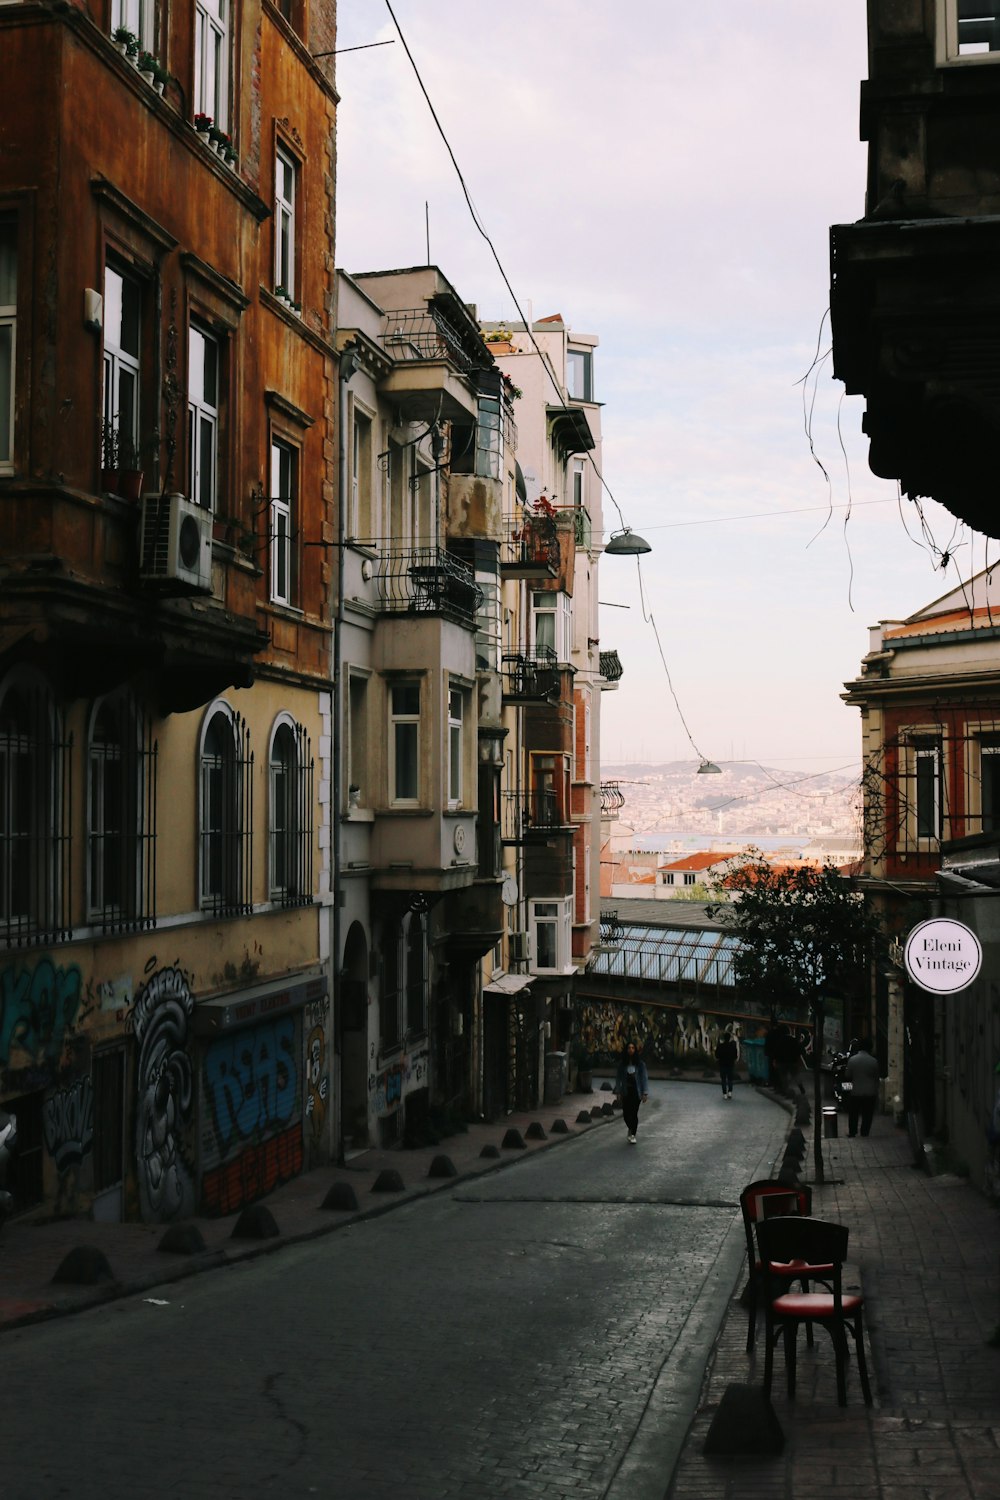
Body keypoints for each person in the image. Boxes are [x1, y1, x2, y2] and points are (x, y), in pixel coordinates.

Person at [613, 1041, 649, 1144]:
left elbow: (644, 1078)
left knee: (634, 1113)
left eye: (633, 1048)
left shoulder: (640, 1064)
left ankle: (633, 1134)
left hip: (636, 1092)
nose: (631, 1050)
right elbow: (618, 1078)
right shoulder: (622, 1064)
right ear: (626, 1050)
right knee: (626, 1114)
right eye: (629, 1048)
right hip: (626, 1092)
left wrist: (645, 1093)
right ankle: (630, 1127)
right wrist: (618, 1092)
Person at [843, 1037, 880, 1137]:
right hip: (870, 1092)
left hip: (855, 1091)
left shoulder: (852, 1060)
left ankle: (852, 1131)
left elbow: (848, 1075)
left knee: (853, 1113)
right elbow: (876, 1077)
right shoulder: (873, 1061)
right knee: (867, 1114)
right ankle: (865, 1132)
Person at [715, 1029, 738, 1099]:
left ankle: (724, 1093)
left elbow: (717, 1055)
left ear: (724, 1038)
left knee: (723, 1080)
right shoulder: (733, 1047)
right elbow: (735, 1056)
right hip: (730, 1065)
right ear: (729, 1038)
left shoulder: (720, 1046)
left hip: (722, 1065)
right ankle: (730, 1092)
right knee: (730, 1079)